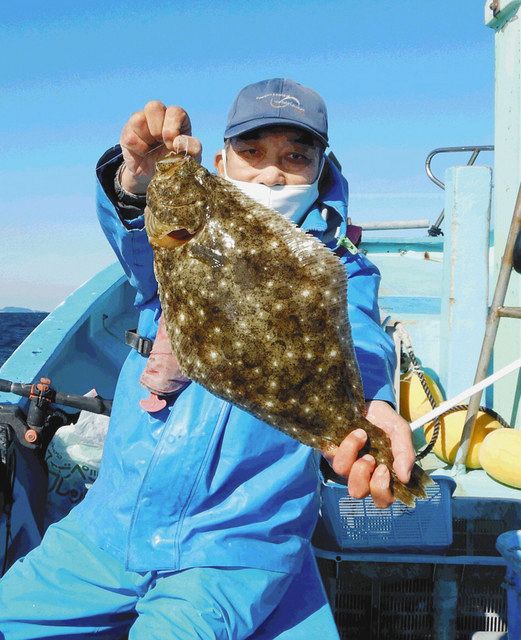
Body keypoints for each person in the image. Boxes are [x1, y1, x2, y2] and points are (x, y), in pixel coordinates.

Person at [0, 78, 415, 639]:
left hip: (234, 550)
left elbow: (356, 332)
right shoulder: (181, 238)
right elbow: (141, 246)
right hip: (107, 531)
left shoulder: (342, 265)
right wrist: (134, 183)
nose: (272, 173)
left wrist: (370, 402)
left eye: (296, 157)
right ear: (221, 161)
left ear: (320, 169)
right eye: (253, 153)